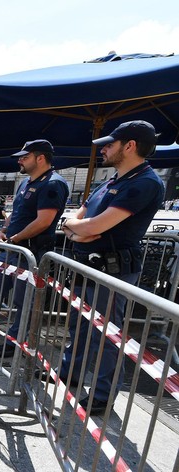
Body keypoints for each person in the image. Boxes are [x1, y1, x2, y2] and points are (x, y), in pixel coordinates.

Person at [58, 121, 165, 415]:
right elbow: (79, 218)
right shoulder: (112, 180)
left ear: (129, 146)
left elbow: (97, 225)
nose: (103, 149)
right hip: (89, 264)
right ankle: (70, 373)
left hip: (113, 270)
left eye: (109, 144)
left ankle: (102, 395)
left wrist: (78, 228)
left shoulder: (145, 182)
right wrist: (77, 229)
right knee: (80, 326)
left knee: (108, 335)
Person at [0, 140, 69, 356]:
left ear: (40, 158)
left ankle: (15, 341)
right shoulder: (25, 183)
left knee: (24, 301)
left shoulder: (53, 184)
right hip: (12, 248)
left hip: (30, 252)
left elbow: (44, 221)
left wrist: (16, 238)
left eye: (25, 157)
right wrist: (4, 230)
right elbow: (16, 213)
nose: (20, 160)